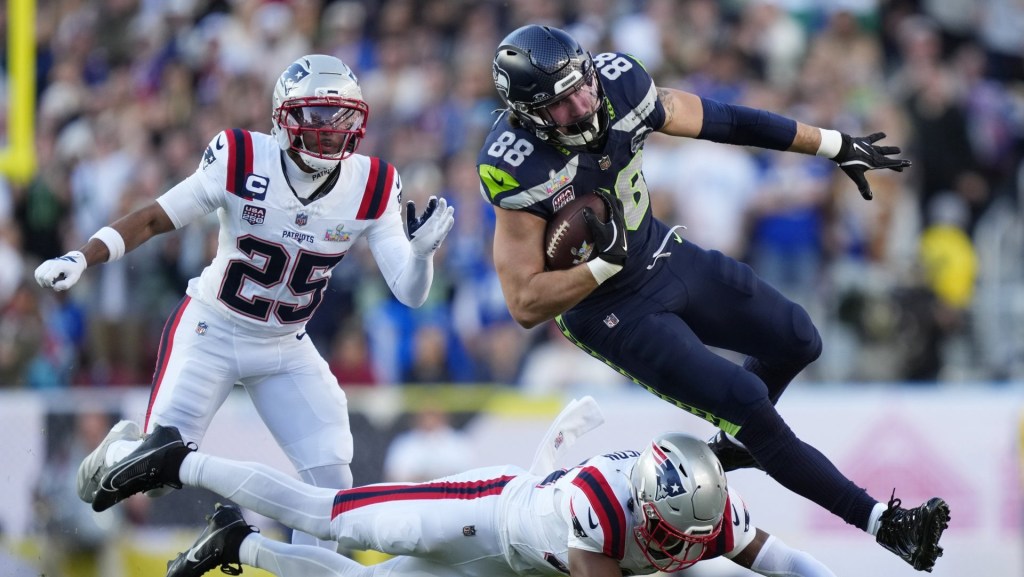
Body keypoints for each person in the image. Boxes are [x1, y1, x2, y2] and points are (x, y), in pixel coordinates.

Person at [476, 25, 948, 571]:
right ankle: (885, 524)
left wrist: (832, 143)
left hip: (658, 252)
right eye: (561, 104)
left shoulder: (620, 83)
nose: (583, 105)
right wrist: (601, 265)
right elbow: (525, 303)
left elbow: (723, 121)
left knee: (797, 337)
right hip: (604, 308)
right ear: (530, 114)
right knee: (748, 402)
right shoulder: (515, 166)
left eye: (582, 87)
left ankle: (729, 448)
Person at [34, 54, 455, 547]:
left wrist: (422, 256)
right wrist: (83, 257)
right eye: (316, 115)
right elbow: (156, 217)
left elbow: (409, 292)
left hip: (285, 346)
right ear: (283, 118)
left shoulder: (374, 184)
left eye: (341, 116)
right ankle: (116, 453)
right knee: (159, 469)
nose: (331, 129)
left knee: (333, 496)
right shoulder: (240, 156)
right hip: (212, 329)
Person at [83, 423, 863, 577]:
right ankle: (179, 461)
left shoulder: (708, 506)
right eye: (665, 534)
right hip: (484, 512)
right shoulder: (605, 500)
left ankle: (237, 545)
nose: (674, 546)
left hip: (517, 565)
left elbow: (786, 561)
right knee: (334, 519)